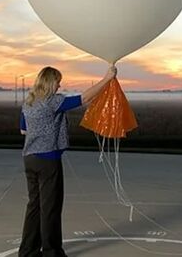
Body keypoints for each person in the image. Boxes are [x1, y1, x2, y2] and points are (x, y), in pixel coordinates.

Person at [18, 65, 116, 257]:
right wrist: (107, 79)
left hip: (29, 159)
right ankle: (51, 252)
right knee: (50, 207)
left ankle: (28, 251)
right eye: (58, 81)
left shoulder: (28, 103)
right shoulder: (52, 102)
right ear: (50, 82)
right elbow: (84, 98)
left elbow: (23, 131)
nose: (59, 85)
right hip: (48, 160)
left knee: (34, 206)